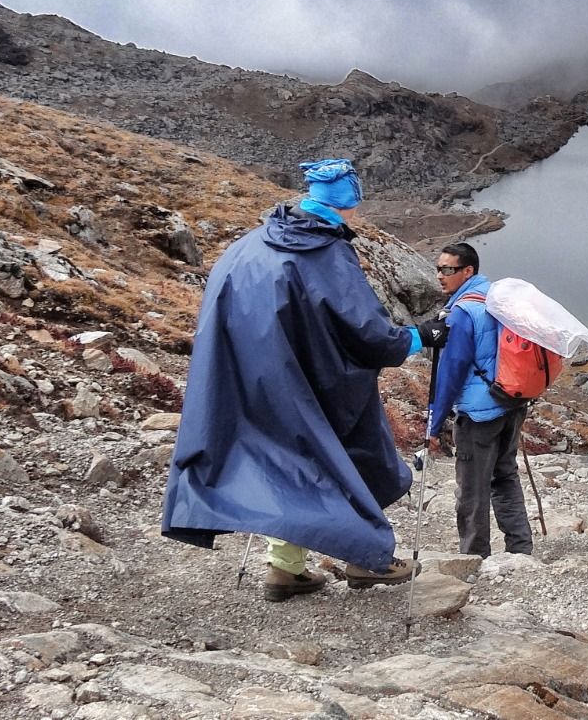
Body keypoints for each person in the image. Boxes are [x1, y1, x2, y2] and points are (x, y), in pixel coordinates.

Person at [161, 158, 450, 601]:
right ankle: (366, 559)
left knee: (283, 464)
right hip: (310, 382)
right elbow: (368, 335)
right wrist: (419, 336)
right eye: (354, 206)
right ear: (345, 205)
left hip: (244, 380)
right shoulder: (324, 253)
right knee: (351, 454)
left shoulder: (249, 245)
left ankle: (285, 569)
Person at [427, 242, 534, 558]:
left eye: (447, 269)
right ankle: (520, 549)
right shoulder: (496, 297)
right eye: (438, 268)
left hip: (479, 415)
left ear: (467, 271)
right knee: (505, 476)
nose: (440, 275)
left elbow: (452, 371)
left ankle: (474, 557)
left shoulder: (463, 312)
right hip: (511, 402)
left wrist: (434, 423)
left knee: (473, 487)